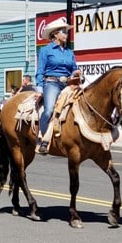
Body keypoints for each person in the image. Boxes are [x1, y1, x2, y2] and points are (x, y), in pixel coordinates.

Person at [35, 17, 80, 154]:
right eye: (64, 31)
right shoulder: (45, 50)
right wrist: (39, 88)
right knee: (49, 110)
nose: (66, 34)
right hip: (51, 83)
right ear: (55, 34)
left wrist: (76, 72)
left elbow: (73, 68)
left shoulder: (69, 52)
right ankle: (42, 139)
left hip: (67, 83)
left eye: (67, 31)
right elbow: (40, 71)